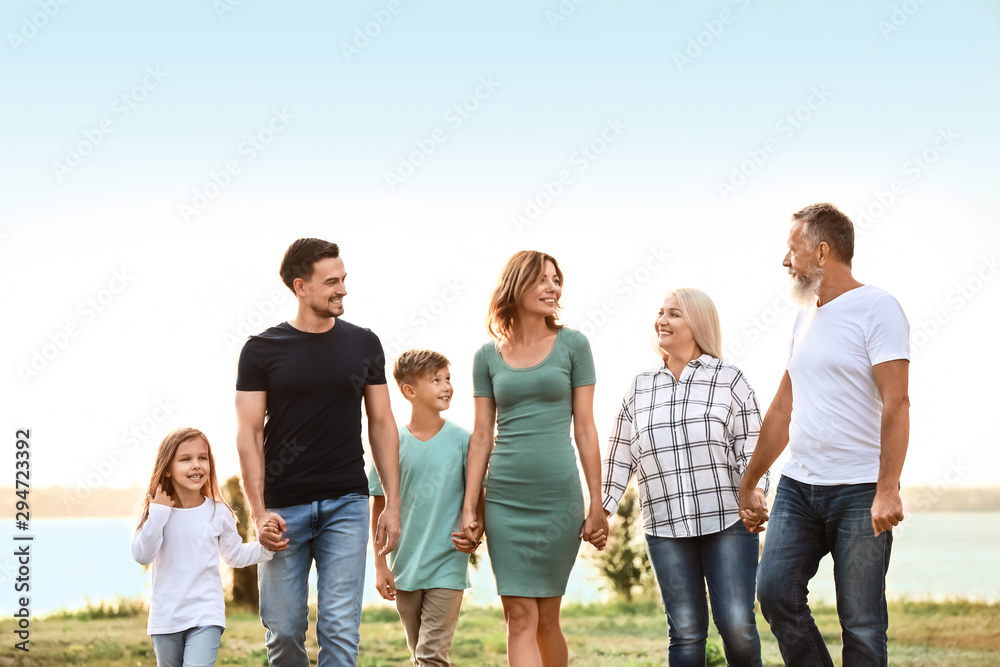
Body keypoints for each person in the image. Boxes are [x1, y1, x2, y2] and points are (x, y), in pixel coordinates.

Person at [738, 203, 910, 666]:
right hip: (799, 487)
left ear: (822, 251)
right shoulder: (804, 317)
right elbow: (781, 409)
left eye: (792, 249)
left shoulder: (878, 308)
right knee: (774, 593)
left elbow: (897, 402)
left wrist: (887, 489)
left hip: (858, 490)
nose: (784, 261)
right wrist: (750, 481)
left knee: (862, 624)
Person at [235, 238, 402, 666]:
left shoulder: (364, 344)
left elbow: (382, 424)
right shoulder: (261, 350)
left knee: (341, 629)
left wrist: (392, 503)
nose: (343, 289)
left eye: (344, 279)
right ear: (300, 286)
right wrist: (258, 512)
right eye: (332, 281)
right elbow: (249, 434)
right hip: (282, 509)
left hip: (346, 503)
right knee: (285, 629)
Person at [602, 288, 767, 667]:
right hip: (664, 526)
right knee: (686, 632)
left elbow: (752, 446)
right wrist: (602, 510)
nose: (662, 320)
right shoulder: (641, 387)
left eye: (673, 313)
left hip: (727, 520)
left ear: (698, 324)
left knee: (737, 626)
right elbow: (619, 453)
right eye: (660, 313)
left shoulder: (729, 379)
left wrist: (756, 491)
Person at [461, 250, 609, 667]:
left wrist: (596, 504)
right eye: (541, 279)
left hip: (557, 499)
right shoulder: (486, 357)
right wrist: (470, 507)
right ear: (515, 285)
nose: (552, 287)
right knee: (518, 615)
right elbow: (481, 436)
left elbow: (585, 427)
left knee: (546, 617)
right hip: (505, 499)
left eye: (556, 279)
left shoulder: (574, 344)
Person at [368, 349, 485, 667]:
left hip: (447, 565)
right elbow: (379, 507)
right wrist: (380, 567)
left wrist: (477, 532)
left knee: (431, 655)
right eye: (436, 380)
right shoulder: (391, 443)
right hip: (405, 567)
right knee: (420, 655)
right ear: (409, 391)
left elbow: (479, 497)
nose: (447, 386)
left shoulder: (464, 441)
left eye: (448, 378)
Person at [132, 427, 276, 667]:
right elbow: (142, 555)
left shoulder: (218, 512)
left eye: (202, 458)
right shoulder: (155, 512)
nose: (196, 465)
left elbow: (235, 555)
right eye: (186, 459)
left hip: (206, 615)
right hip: (166, 618)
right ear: (167, 468)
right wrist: (158, 513)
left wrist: (267, 547)